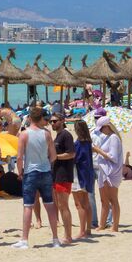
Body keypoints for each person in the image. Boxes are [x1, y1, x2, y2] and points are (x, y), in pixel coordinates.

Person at [13, 107, 61, 249]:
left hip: (30, 172)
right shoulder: (46, 134)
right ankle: (55, 239)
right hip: (45, 171)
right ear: (40, 118)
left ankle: (25, 240)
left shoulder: (24, 134)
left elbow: (20, 157)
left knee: (28, 206)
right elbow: (53, 156)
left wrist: (20, 172)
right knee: (49, 205)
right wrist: (46, 163)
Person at [94, 116, 123, 232]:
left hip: (111, 172)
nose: (100, 131)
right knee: (104, 200)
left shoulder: (114, 138)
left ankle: (115, 226)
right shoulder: (107, 137)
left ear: (107, 127)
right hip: (103, 171)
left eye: (101, 129)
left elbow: (113, 157)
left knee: (113, 199)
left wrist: (98, 150)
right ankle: (102, 224)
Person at [50, 113, 75, 244]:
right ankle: (66, 234)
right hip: (56, 174)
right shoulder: (58, 136)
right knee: (59, 205)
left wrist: (55, 157)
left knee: (63, 205)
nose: (52, 123)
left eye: (55, 121)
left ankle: (68, 235)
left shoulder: (66, 135)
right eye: (51, 122)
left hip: (64, 174)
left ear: (62, 121)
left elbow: (71, 154)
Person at [71, 120, 98, 239]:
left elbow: (76, 159)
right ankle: (88, 229)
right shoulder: (88, 142)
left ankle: (82, 231)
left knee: (79, 204)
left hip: (79, 175)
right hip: (87, 174)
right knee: (86, 203)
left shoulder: (79, 143)